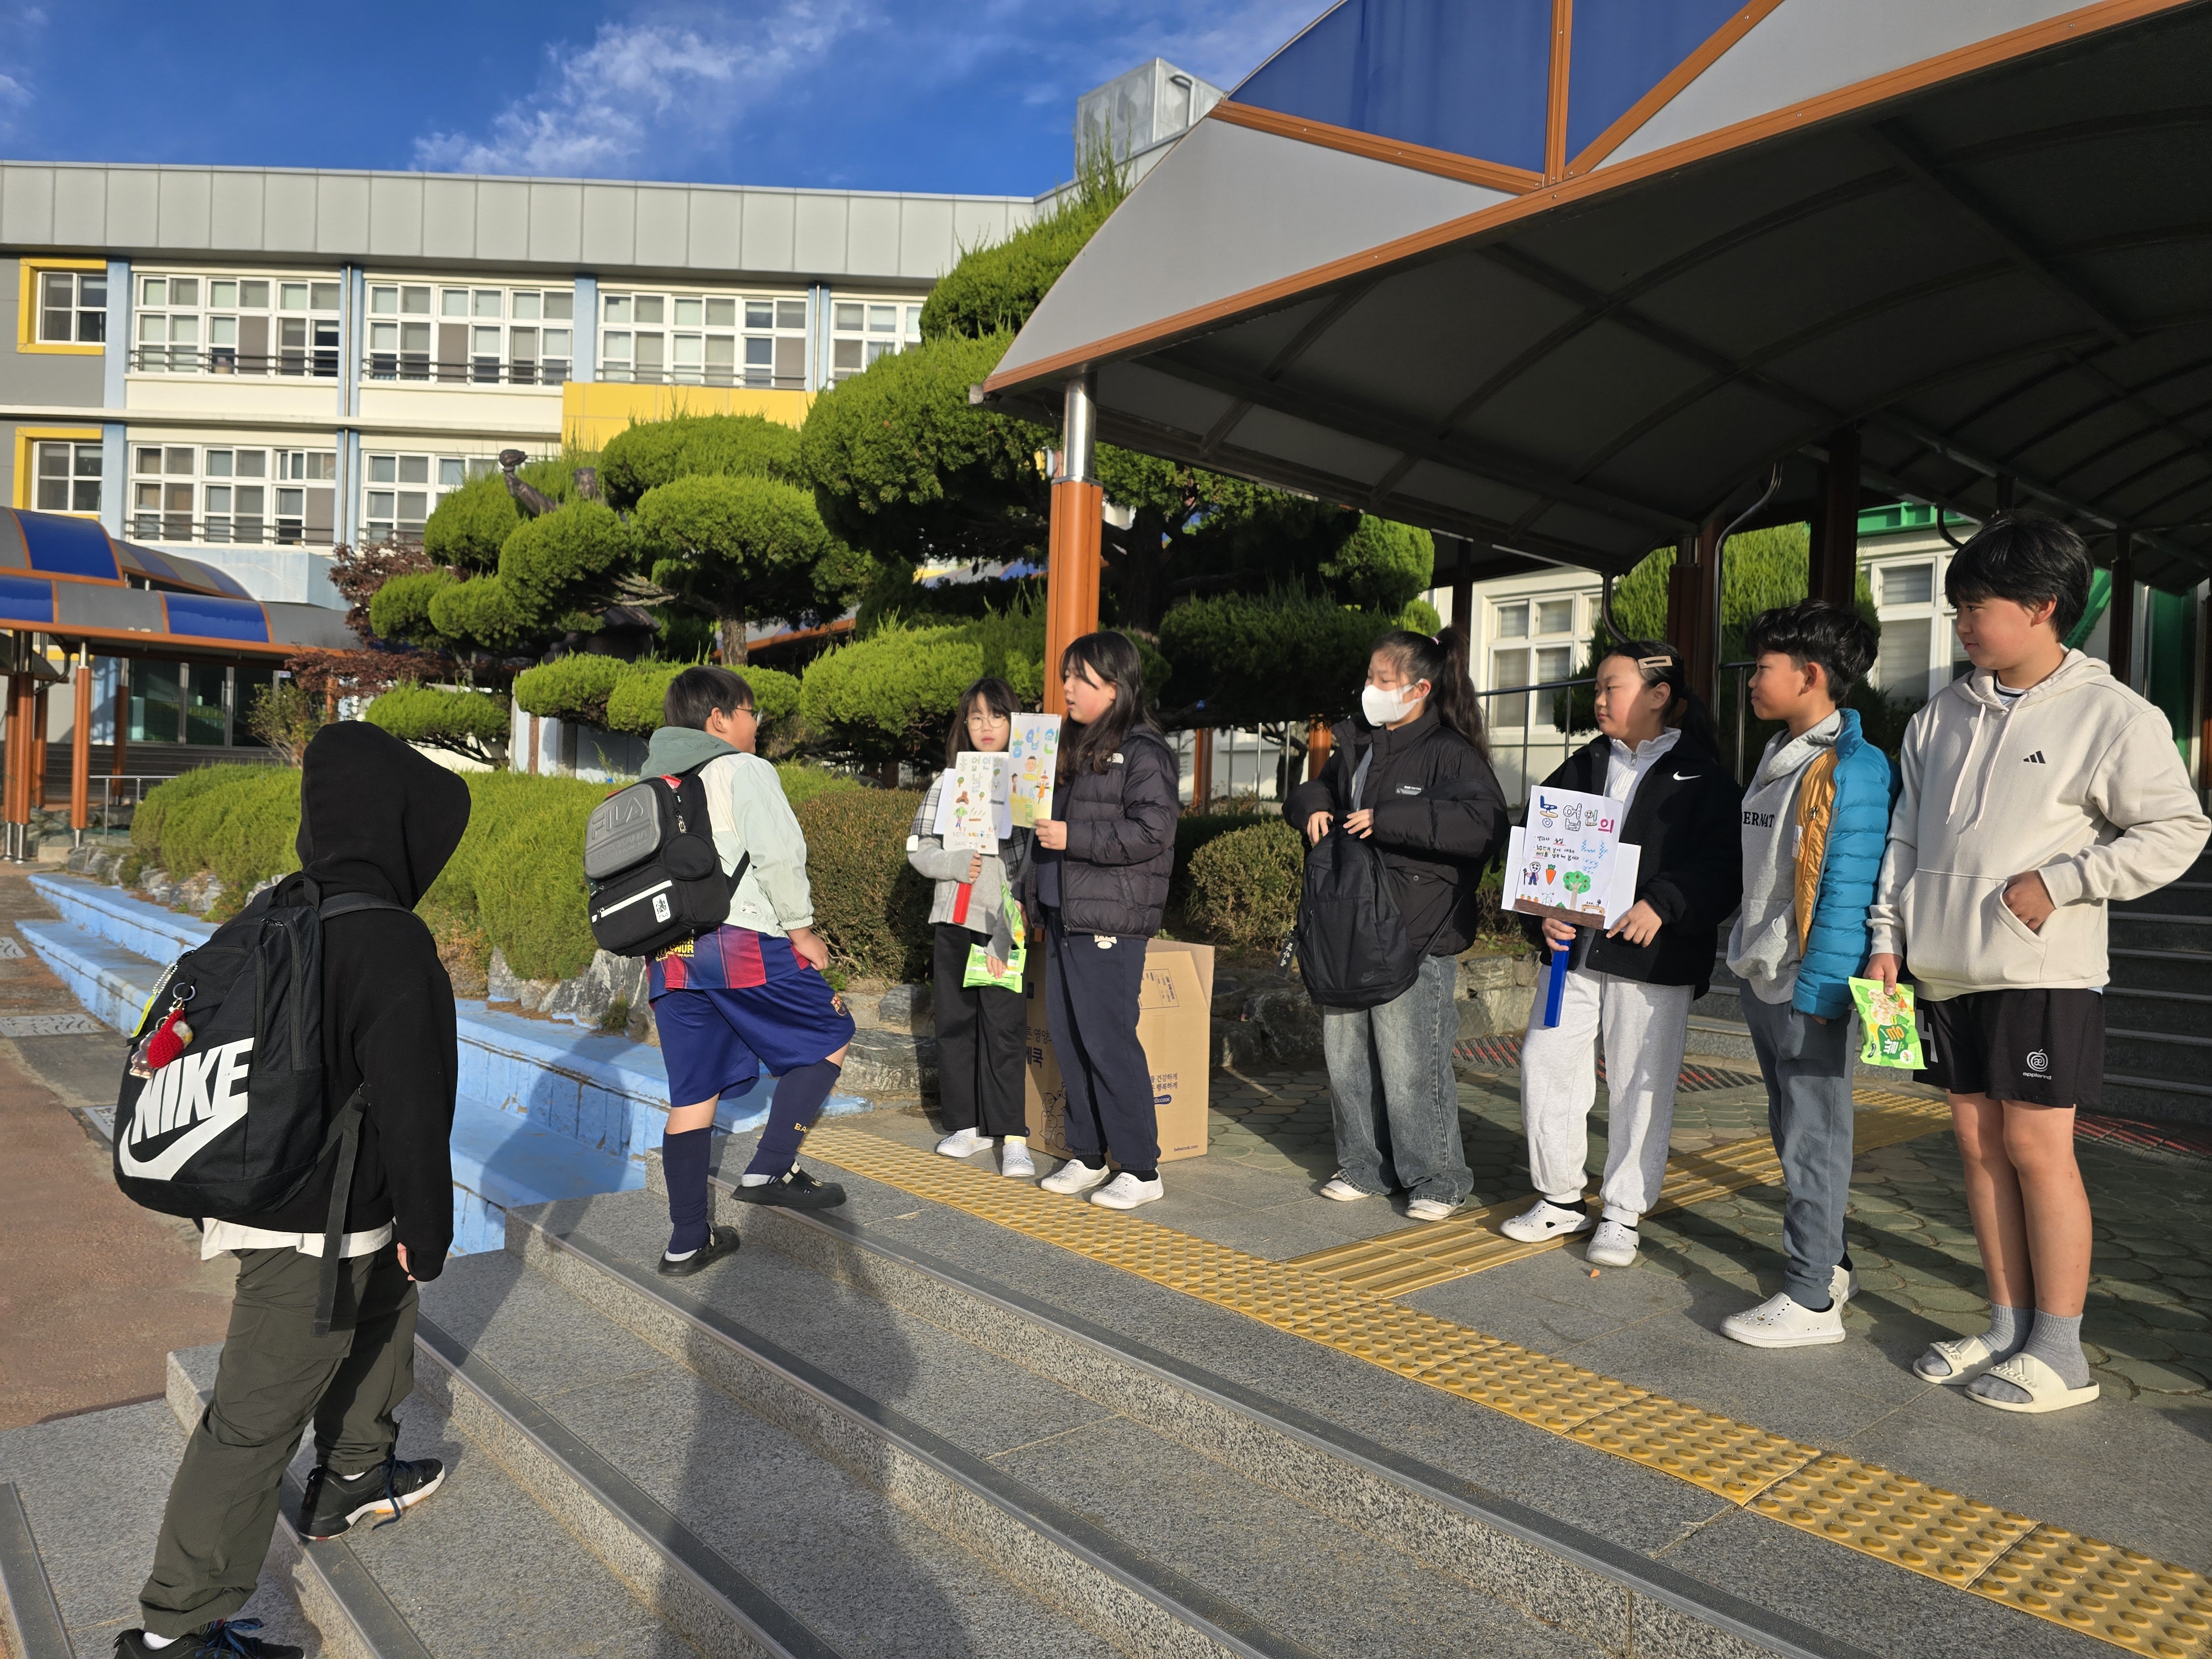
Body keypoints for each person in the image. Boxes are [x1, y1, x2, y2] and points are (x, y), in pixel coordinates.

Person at [121, 723, 469, 1659]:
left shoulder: (281, 911)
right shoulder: (389, 938)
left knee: (386, 1304)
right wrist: (431, 1230)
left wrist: (407, 1237)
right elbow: (413, 1102)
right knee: (248, 1424)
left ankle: (354, 1471)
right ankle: (177, 1624)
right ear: (397, 827)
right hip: (309, 1227)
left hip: (293, 1193)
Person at [1867, 517, 2208, 1412]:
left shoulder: (2112, 715)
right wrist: (1885, 937)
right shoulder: (1940, 715)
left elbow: (2180, 829)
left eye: (1975, 608)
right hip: (1939, 969)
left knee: (2035, 1147)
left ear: (2042, 607)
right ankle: (2006, 1322)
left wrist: (2065, 881)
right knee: (1979, 1149)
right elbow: (1906, 836)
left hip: (2042, 971)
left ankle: (2062, 1350)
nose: (1961, 626)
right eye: (1957, 609)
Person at [1503, 643, 1744, 1268]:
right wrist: (1541, 914)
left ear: (1658, 695)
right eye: (1599, 688)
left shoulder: (1704, 776)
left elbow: (1724, 866)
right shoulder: (1581, 766)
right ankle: (1559, 1196)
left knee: (1641, 1082)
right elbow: (1537, 848)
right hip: (1573, 955)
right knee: (1545, 1059)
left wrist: (1663, 903)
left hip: (1653, 959)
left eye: (1612, 687)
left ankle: (1622, 1211)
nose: (1599, 700)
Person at [1717, 601, 1893, 1348]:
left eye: (1764, 668)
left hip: (1805, 984)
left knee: (1815, 1136)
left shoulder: (1852, 769)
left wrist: (1821, 997)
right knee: (1793, 1127)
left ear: (1810, 675)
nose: (1753, 680)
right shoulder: (1780, 754)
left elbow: (1849, 892)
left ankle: (1812, 1298)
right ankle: (1831, 1263)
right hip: (1764, 972)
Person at [1286, 628, 1507, 1220]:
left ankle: (1437, 1178)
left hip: (1414, 934)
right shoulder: (1357, 743)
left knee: (1413, 1065)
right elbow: (1314, 789)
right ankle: (1363, 1165)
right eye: (1370, 678)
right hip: (1346, 929)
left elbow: (1482, 827)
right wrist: (1312, 808)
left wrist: (1387, 819)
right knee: (1347, 1060)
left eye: (1383, 681)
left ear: (1419, 689)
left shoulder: (1449, 751)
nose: (1371, 690)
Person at [646, 666, 858, 1277]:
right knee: (831, 1036)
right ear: (718, 719)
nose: (755, 725)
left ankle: (686, 1242)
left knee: (692, 1097)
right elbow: (780, 855)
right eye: (749, 713)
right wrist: (802, 929)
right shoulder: (743, 771)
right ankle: (770, 1166)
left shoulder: (651, 780)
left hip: (669, 957)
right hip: (739, 943)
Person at [1029, 633, 1180, 1209]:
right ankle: (1088, 1154)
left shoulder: (1144, 752)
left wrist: (1074, 837)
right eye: (1067, 675)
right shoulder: (1071, 746)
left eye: (1081, 679)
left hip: (1111, 916)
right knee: (1070, 1037)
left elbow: (1153, 832)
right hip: (1068, 912)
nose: (1067, 687)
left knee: (1108, 1040)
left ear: (1115, 687)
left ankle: (1141, 1168)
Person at [910, 676, 1035, 1177]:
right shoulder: (946, 782)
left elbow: (1038, 858)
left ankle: (1012, 1135)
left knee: (1004, 1027)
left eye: (997, 716)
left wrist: (1021, 910)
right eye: (976, 716)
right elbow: (917, 848)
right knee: (956, 1023)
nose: (986, 727)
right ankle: (966, 1125)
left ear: (1013, 723)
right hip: (954, 918)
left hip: (1004, 924)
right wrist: (955, 862)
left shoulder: (1028, 782)